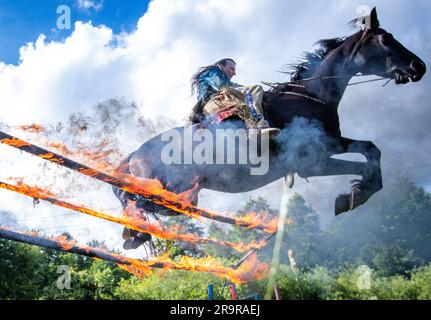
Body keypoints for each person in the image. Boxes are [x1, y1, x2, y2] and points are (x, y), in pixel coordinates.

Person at [190, 58, 280, 135]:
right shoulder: (212, 70)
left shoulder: (220, 77)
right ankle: (257, 127)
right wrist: (256, 92)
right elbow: (222, 86)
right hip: (214, 102)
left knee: (249, 93)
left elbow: (232, 86)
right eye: (231, 69)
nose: (234, 73)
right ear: (220, 66)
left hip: (216, 103)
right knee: (255, 89)